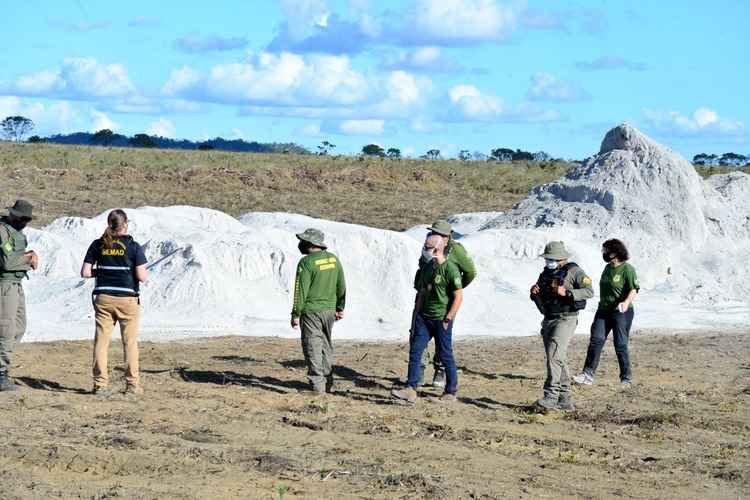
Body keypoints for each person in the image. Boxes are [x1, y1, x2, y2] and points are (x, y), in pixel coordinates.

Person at [80, 209, 148, 397]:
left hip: (104, 298)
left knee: (101, 342)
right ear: (125, 224)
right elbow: (142, 276)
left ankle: (100, 385)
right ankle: (132, 385)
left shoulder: (98, 244)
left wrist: (101, 273)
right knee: (130, 342)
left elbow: (86, 272)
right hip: (127, 299)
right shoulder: (134, 246)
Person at [393, 234, 464, 404]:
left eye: (427, 247)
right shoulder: (427, 268)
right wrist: (416, 315)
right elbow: (422, 292)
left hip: (441, 319)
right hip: (424, 318)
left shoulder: (450, 269)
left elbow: (458, 296)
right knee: (416, 351)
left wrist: (448, 318)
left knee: (445, 354)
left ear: (437, 249)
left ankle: (450, 391)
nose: (424, 250)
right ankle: (410, 389)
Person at [530, 241, 593, 411]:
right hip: (549, 318)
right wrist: (535, 291)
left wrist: (568, 292)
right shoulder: (546, 273)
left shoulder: (574, 271)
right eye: (547, 258)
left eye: (551, 258)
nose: (548, 261)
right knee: (559, 358)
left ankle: (551, 396)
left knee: (554, 356)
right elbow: (544, 293)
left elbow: (589, 291)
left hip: (566, 319)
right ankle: (565, 400)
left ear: (561, 258)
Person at [416, 219, 476, 389]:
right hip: (425, 295)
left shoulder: (456, 250)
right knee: (417, 335)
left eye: (436, 233)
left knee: (442, 338)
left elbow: (471, 272)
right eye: (432, 231)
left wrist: (454, 287)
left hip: (444, 301)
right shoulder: (429, 245)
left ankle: (440, 370)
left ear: (446, 237)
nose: (432, 235)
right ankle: (417, 374)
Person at [573, 239, 639, 390]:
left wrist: (626, 302)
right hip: (603, 310)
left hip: (621, 312)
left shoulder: (627, 269)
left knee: (620, 344)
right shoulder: (607, 268)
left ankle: (626, 379)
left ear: (615, 252)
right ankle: (587, 375)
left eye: (606, 251)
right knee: (596, 340)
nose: (603, 253)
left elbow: (633, 289)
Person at [291, 228, 346, 394]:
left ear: (311, 243)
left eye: (304, 241)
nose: (301, 244)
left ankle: (317, 387)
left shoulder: (306, 263)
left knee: (312, 346)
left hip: (311, 311)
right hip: (329, 311)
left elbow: (300, 291)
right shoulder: (333, 260)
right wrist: (339, 307)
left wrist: (295, 313)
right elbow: (341, 285)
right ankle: (327, 383)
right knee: (326, 345)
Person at [0, 200, 39, 392]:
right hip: (4, 285)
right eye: (22, 218)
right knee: (6, 329)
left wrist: (28, 255)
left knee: (19, 327)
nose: (25, 223)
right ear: (13, 215)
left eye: (27, 220)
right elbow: (7, 262)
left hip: (17, 283)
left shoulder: (16, 232)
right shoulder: (3, 231)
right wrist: (28, 258)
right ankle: (1, 373)